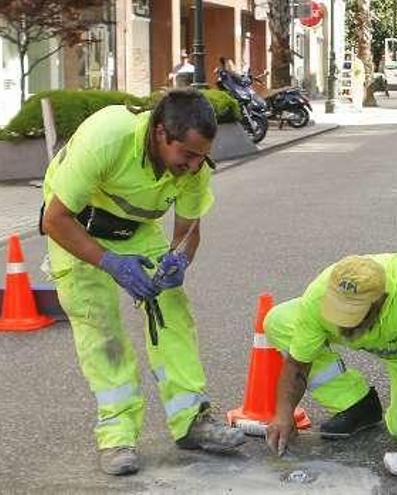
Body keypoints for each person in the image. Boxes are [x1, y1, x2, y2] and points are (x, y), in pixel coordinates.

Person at [40, 89, 245, 476]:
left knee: (172, 308)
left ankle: (192, 420)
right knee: (100, 328)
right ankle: (117, 434)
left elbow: (187, 231)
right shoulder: (108, 137)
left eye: (201, 156)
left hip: (134, 229)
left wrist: (179, 260)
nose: (193, 165)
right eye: (187, 154)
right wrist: (111, 263)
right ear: (160, 133)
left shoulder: (194, 166)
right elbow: (55, 219)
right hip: (76, 227)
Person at [263, 254, 397, 478]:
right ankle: (356, 404)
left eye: (353, 316)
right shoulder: (318, 295)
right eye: (338, 313)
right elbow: (297, 364)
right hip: (381, 329)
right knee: (279, 321)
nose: (342, 326)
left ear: (380, 302)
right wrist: (283, 415)